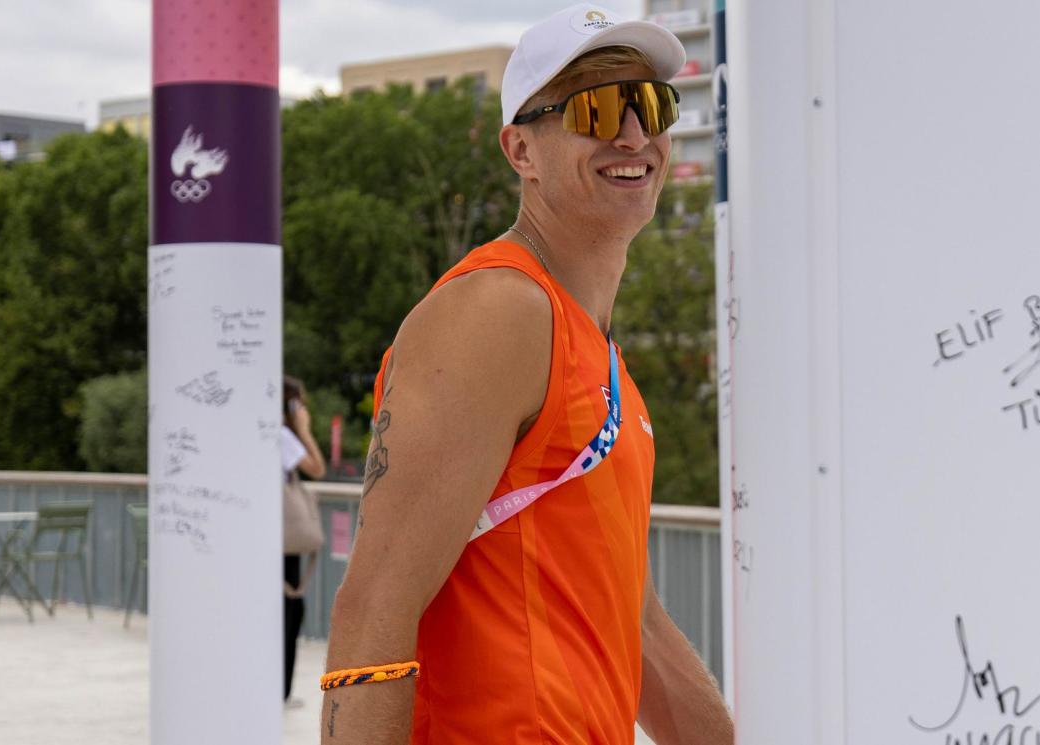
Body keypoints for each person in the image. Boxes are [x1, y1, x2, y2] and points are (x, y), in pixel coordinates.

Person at [322, 5, 734, 744]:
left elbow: (631, 618)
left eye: (652, 105)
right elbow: (373, 605)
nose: (633, 134)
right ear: (521, 149)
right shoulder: (497, 312)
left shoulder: (595, 351)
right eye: (598, 108)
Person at [282, 375, 326, 707]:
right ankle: (279, 690)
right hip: (281, 540)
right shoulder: (280, 436)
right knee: (289, 611)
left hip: (271, 537)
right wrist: (304, 430)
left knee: (286, 609)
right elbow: (317, 467)